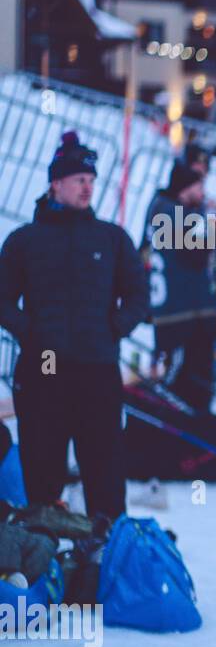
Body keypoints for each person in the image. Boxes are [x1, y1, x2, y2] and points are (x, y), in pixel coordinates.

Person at [0, 132, 149, 521]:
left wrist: (114, 327)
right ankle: (43, 556)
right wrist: (30, 332)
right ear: (56, 184)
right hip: (44, 366)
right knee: (43, 471)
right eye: (79, 179)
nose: (87, 187)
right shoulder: (24, 241)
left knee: (104, 470)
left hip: (96, 367)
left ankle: (105, 550)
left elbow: (139, 295)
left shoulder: (112, 239)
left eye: (91, 180)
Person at [142, 161, 216, 412]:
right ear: (185, 188)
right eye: (199, 188)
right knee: (184, 391)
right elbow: (198, 255)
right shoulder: (176, 215)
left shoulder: (160, 209)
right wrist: (209, 220)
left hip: (176, 315)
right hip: (181, 317)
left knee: (189, 385)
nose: (203, 194)